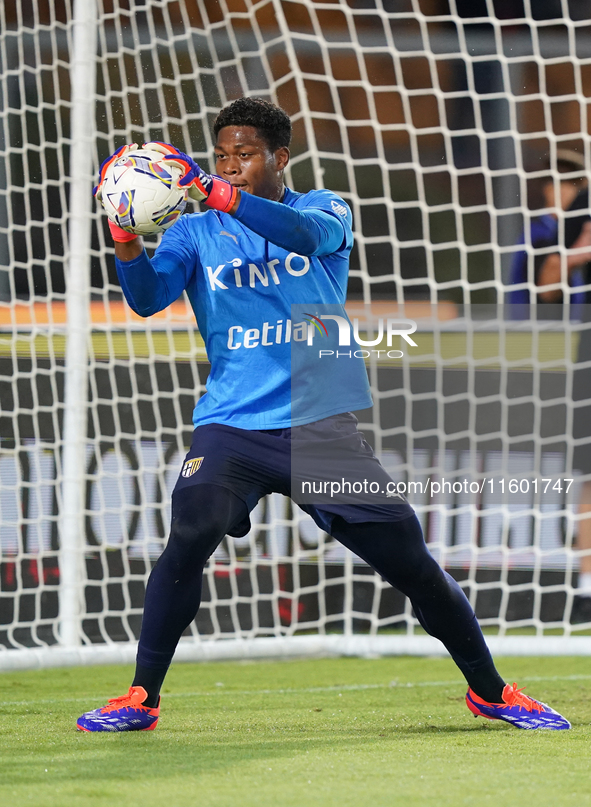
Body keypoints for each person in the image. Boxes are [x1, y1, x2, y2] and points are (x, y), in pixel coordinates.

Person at [77, 98, 569, 732]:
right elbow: (147, 299)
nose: (231, 167)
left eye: (245, 155)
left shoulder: (323, 209)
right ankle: (141, 698)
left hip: (320, 427)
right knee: (191, 530)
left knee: (411, 564)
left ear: (280, 158)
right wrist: (123, 240)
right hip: (231, 426)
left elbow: (303, 239)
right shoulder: (192, 233)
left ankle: (492, 691)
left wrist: (213, 191)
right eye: (222, 156)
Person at [529, 159, 591, 623]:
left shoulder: (580, 209)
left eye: (550, 190)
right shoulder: (561, 230)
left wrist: (562, 262)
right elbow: (548, 287)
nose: (548, 202)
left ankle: (587, 584)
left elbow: (551, 276)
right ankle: (587, 582)